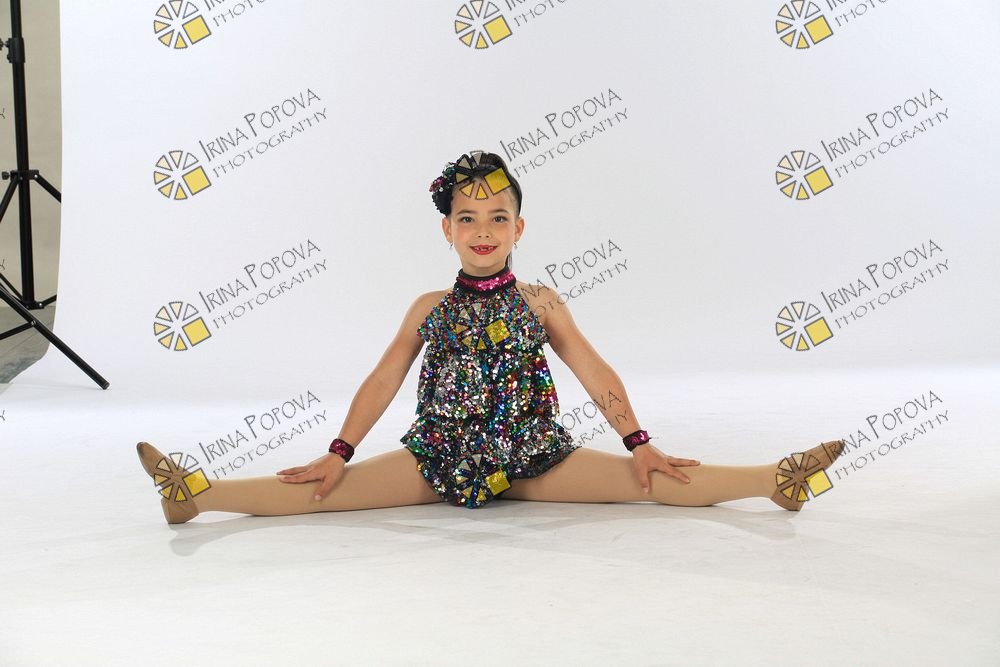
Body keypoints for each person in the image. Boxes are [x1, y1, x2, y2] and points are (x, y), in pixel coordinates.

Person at [136, 150, 845, 524]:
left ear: (519, 228)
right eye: (468, 218)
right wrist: (337, 451)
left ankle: (775, 479)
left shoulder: (541, 303)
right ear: (446, 229)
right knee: (324, 492)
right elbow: (382, 380)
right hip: (438, 457)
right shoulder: (428, 308)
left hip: (533, 456)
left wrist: (638, 440)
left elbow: (595, 371)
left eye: (497, 217)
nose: (483, 231)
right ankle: (196, 493)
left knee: (654, 481)